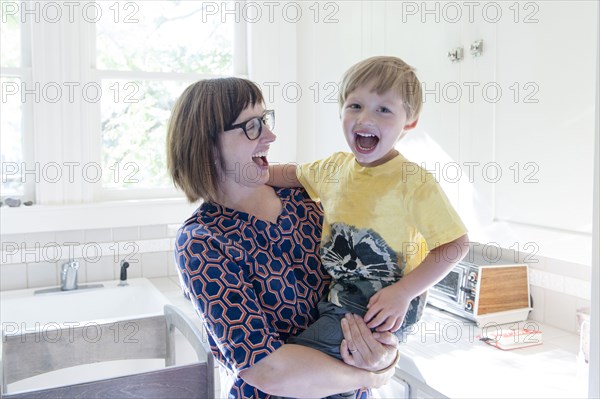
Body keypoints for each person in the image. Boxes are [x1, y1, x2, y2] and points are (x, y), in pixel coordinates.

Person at [166, 77, 400, 399]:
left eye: (265, 120)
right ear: (207, 142)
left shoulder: (306, 197)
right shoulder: (202, 242)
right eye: (251, 127)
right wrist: (368, 377)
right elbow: (267, 370)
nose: (270, 136)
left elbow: (367, 288)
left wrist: (385, 357)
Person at [269, 56, 469, 399]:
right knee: (326, 378)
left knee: (294, 371)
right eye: (355, 105)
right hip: (341, 299)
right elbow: (292, 174)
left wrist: (403, 292)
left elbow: (455, 244)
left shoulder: (412, 180)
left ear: (410, 123)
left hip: (379, 310)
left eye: (384, 110)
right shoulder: (335, 167)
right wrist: (249, 172)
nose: (365, 118)